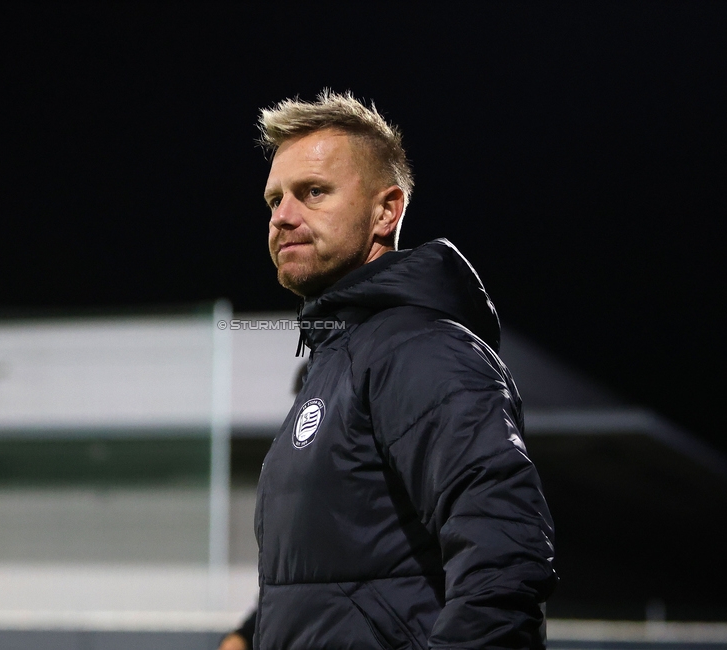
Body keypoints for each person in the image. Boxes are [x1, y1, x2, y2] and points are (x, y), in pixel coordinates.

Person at [221, 90, 556, 649]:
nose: (282, 216)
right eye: (273, 200)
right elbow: (340, 569)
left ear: (386, 210)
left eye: (314, 192)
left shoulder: (423, 350)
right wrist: (251, 634)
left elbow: (505, 554)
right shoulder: (335, 362)